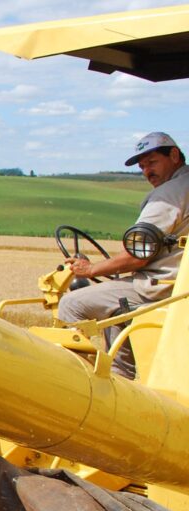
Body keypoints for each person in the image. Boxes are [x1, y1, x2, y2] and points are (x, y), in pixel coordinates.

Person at [58, 132, 189, 379]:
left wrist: (91, 269)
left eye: (152, 163)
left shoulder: (169, 194)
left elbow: (137, 256)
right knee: (116, 309)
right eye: (142, 167)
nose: (147, 171)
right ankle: (120, 379)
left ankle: (76, 386)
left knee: (70, 304)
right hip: (180, 287)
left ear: (174, 155)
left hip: (160, 290)